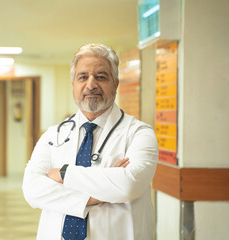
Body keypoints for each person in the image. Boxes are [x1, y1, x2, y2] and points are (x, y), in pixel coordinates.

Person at [22, 43, 158, 240]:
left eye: (101, 77)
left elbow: (128, 185)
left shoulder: (139, 134)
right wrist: (99, 193)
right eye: (83, 77)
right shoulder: (53, 135)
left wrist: (63, 174)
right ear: (74, 85)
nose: (91, 84)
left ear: (116, 84)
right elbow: (32, 189)